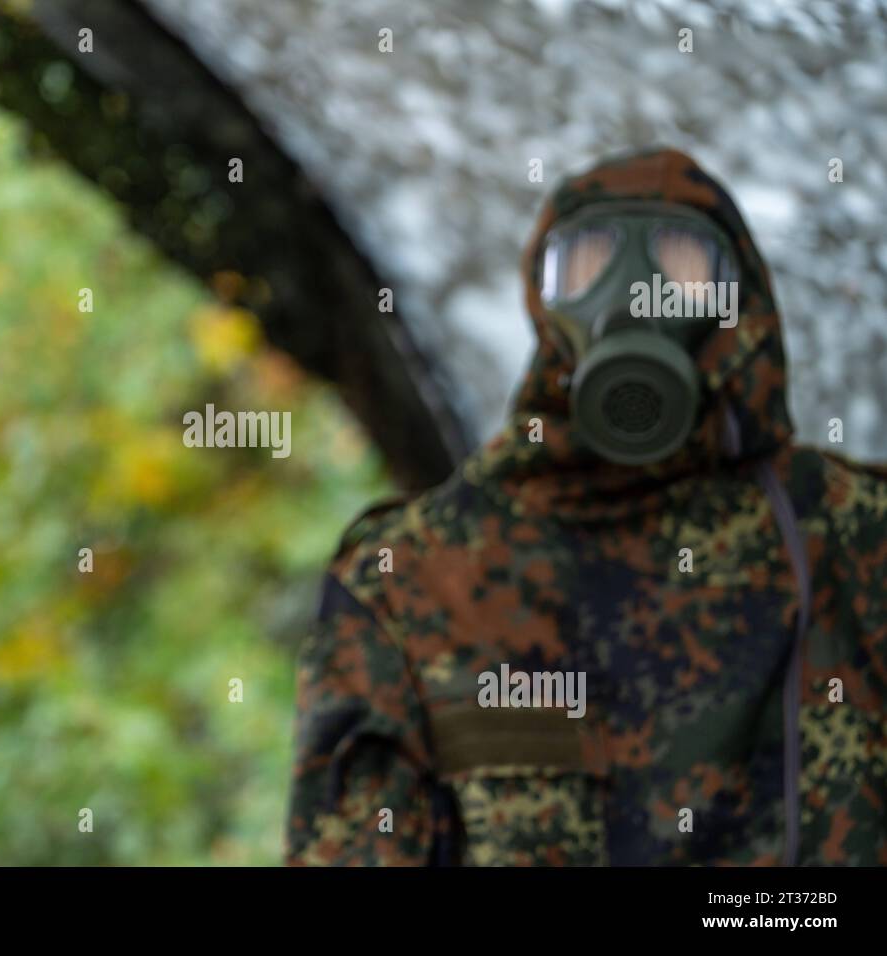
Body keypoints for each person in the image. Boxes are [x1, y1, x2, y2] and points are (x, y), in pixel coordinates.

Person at [284, 148, 887, 866]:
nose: (635, 292)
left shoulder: (854, 538)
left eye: (681, 264)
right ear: (542, 302)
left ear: (739, 302)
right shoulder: (411, 580)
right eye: (588, 265)